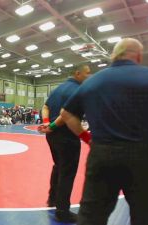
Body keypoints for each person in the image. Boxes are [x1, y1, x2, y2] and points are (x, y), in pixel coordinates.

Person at [57, 38, 148, 225]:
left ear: (113, 56)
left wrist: (86, 137)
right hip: (144, 156)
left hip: (102, 155)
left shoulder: (92, 82)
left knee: (91, 217)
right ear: (139, 55)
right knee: (145, 217)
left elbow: (66, 114)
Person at [38, 64, 91, 223]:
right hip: (67, 137)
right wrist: (52, 126)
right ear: (77, 73)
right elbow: (66, 114)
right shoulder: (78, 90)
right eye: (87, 73)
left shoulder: (58, 88)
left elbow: (45, 106)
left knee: (58, 166)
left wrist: (47, 123)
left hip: (53, 137)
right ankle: (62, 211)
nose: (89, 76)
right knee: (67, 173)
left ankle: (52, 199)